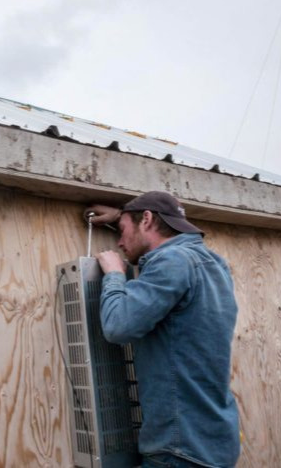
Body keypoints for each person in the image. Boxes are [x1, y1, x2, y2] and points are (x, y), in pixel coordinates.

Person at [86, 191, 240, 468]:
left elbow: (119, 327)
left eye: (121, 232)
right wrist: (123, 217)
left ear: (147, 220)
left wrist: (114, 276)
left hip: (178, 450)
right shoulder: (213, 263)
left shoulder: (171, 261)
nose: (119, 242)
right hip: (212, 443)